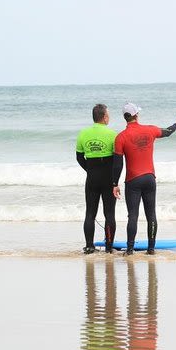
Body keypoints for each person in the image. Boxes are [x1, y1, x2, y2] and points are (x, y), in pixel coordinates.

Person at [112, 103, 176, 255]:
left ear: (125, 118)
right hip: (149, 178)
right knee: (151, 214)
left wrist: (114, 184)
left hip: (133, 180)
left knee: (133, 216)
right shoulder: (150, 130)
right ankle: (151, 249)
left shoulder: (120, 138)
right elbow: (168, 132)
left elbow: (117, 165)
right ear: (136, 115)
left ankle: (130, 250)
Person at [76, 103, 117, 254]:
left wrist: (90, 170)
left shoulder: (83, 134)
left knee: (90, 213)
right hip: (108, 178)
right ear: (105, 117)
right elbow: (118, 160)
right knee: (109, 214)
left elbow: (79, 157)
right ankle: (108, 247)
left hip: (92, 178)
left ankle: (89, 246)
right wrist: (115, 179)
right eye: (109, 115)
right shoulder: (113, 134)